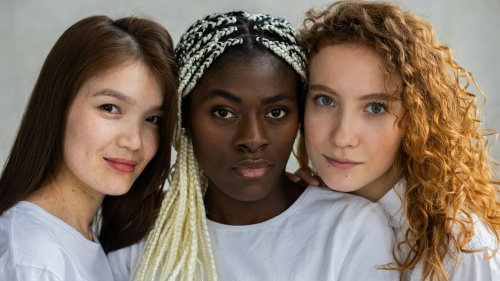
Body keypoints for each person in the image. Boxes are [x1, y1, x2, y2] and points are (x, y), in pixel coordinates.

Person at [108, 11, 398, 281]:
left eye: (276, 112)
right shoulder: (141, 232)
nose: (253, 139)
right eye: (223, 112)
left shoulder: (351, 228)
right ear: (184, 118)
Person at [291, 1, 500, 280]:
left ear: (416, 119)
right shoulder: (311, 206)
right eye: (325, 100)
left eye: (375, 107)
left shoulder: (458, 248)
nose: (342, 136)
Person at [0, 15, 177, 280]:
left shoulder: (84, 240)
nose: (134, 141)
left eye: (152, 119)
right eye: (110, 108)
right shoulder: (34, 259)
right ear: (58, 105)